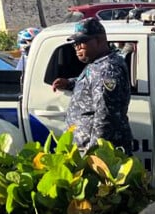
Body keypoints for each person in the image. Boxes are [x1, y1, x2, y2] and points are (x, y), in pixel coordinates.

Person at [51, 18, 133, 152]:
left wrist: (95, 153)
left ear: (99, 41)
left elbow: (105, 115)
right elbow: (92, 83)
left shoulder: (107, 69)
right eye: (75, 43)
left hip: (99, 151)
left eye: (81, 42)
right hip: (87, 145)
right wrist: (70, 83)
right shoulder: (99, 64)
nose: (77, 47)